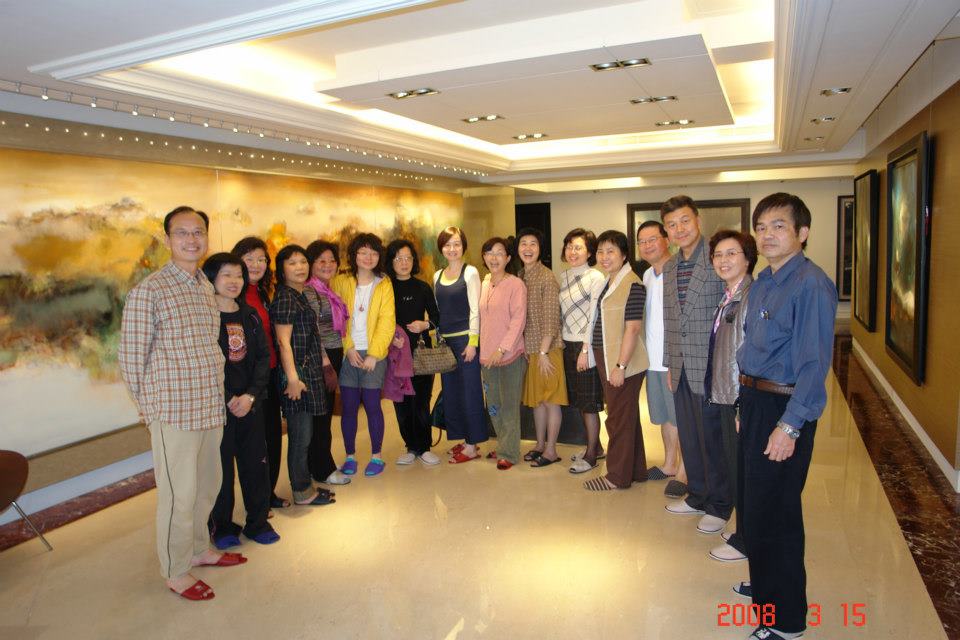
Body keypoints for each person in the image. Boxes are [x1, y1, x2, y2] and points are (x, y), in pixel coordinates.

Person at [119, 206, 246, 602]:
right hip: (173, 412)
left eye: (198, 232)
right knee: (179, 495)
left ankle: (198, 549)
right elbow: (131, 358)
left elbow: (210, 347)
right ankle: (175, 570)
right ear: (168, 239)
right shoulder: (150, 291)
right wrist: (150, 410)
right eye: (182, 233)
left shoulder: (204, 286)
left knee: (208, 486)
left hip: (209, 406)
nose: (192, 240)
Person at [736, 193, 837, 640]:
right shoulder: (764, 280)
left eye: (778, 226)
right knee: (754, 505)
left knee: (777, 512)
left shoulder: (811, 284)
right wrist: (744, 405)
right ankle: (765, 587)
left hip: (785, 407)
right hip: (756, 402)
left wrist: (790, 426)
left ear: (802, 233)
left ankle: (785, 621)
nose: (767, 235)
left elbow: (814, 365)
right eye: (761, 227)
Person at [660, 195, 728, 535]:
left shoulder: (717, 258)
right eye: (672, 225)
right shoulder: (670, 266)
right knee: (689, 433)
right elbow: (670, 318)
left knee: (713, 437)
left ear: (698, 220)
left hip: (711, 363)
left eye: (684, 221)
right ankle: (698, 495)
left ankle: (720, 504)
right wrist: (670, 363)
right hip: (682, 364)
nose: (679, 229)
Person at [202, 252, 279, 548]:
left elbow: (262, 358)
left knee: (255, 465)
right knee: (220, 470)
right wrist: (227, 398)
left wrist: (250, 396)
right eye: (226, 275)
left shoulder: (250, 315)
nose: (234, 281)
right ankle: (222, 528)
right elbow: (202, 364)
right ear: (212, 279)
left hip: (251, 404)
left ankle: (258, 523)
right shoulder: (204, 317)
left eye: (238, 275)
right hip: (218, 407)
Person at [701, 230, 757, 564]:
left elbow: (749, 353)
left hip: (737, 396)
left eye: (731, 253)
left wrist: (741, 405)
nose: (723, 260)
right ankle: (741, 529)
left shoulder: (750, 296)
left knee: (742, 473)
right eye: (718, 255)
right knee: (733, 467)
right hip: (723, 392)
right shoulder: (729, 295)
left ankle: (746, 541)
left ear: (748, 258)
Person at [581, 230, 648, 490]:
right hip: (606, 356)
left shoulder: (632, 284)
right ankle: (636, 470)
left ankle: (617, 477)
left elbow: (633, 328)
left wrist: (621, 366)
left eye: (611, 251)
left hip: (622, 360)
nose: (604, 256)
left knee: (617, 417)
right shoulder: (609, 282)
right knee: (626, 415)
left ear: (624, 254)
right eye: (600, 251)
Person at [270, 245, 334, 506]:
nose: (300, 267)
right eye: (292, 263)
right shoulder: (286, 298)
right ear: (281, 269)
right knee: (300, 436)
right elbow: (283, 342)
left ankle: (305, 485)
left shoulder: (298, 295)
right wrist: (293, 379)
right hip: (297, 378)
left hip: (306, 374)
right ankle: (302, 491)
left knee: (305, 435)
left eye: (303, 262)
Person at [232, 236, 290, 510]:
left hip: (271, 374)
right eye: (249, 259)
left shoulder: (263, 293)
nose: (256, 264)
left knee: (272, 438)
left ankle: (268, 493)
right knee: (254, 445)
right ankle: (257, 502)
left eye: (261, 259)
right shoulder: (234, 297)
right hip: (249, 381)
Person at [331, 233, 396, 477]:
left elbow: (387, 321)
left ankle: (376, 457)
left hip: (373, 354)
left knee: (371, 404)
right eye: (363, 252)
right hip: (348, 353)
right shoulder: (341, 281)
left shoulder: (384, 283)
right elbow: (337, 318)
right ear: (354, 255)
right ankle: (349, 456)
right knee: (348, 406)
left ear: (380, 256)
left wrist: (375, 354)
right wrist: (347, 347)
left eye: (374, 253)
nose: (368, 257)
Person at [636, 221, 687, 497]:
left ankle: (685, 472)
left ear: (666, 239)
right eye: (642, 241)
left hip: (674, 361)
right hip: (652, 361)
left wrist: (676, 360)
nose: (647, 246)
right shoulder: (646, 275)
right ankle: (669, 463)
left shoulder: (680, 270)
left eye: (652, 239)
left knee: (682, 417)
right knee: (665, 416)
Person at [384, 238, 441, 466]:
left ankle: (424, 447)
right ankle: (410, 447)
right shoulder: (385, 288)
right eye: (399, 258)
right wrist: (391, 338)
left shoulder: (422, 287)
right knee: (402, 404)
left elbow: (436, 317)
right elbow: (378, 320)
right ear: (391, 261)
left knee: (421, 402)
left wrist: (424, 325)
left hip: (421, 353)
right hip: (395, 355)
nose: (404, 262)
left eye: (408, 258)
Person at [433, 226, 488, 462]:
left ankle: (472, 445)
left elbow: (476, 310)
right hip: (446, 343)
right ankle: (464, 439)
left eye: (456, 244)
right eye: (447, 244)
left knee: (470, 392)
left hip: (466, 341)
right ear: (441, 248)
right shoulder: (437, 275)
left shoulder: (470, 272)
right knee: (452, 392)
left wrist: (473, 342)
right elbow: (439, 311)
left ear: (463, 246)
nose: (452, 249)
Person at [517, 227, 568, 467]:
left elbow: (551, 319)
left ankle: (551, 450)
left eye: (533, 244)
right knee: (537, 401)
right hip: (532, 351)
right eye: (523, 243)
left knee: (550, 401)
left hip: (548, 350)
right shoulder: (520, 276)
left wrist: (544, 352)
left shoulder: (546, 277)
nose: (528, 248)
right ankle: (539, 445)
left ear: (540, 249)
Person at [559, 228, 608, 474]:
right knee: (579, 400)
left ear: (589, 252)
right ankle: (595, 446)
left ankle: (591, 456)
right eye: (569, 246)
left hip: (584, 346)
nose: (572, 251)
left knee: (589, 403)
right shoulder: (565, 276)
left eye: (578, 247)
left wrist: (586, 350)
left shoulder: (595, 277)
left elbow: (594, 317)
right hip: (568, 344)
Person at [304, 240, 352, 486]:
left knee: (323, 413)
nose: (328, 265)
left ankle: (318, 465)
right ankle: (324, 469)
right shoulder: (309, 292)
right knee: (321, 416)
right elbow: (313, 331)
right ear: (311, 264)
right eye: (321, 260)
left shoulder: (328, 290)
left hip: (333, 354)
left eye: (332, 260)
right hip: (321, 358)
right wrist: (326, 364)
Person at [478, 237, 527, 470]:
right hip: (487, 356)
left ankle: (509, 452)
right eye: (489, 252)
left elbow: (518, 320)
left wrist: (502, 348)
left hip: (510, 355)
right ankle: (502, 444)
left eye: (499, 253)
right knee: (493, 405)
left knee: (509, 405)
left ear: (508, 258)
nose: (494, 257)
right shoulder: (485, 282)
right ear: (484, 257)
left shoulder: (516, 284)